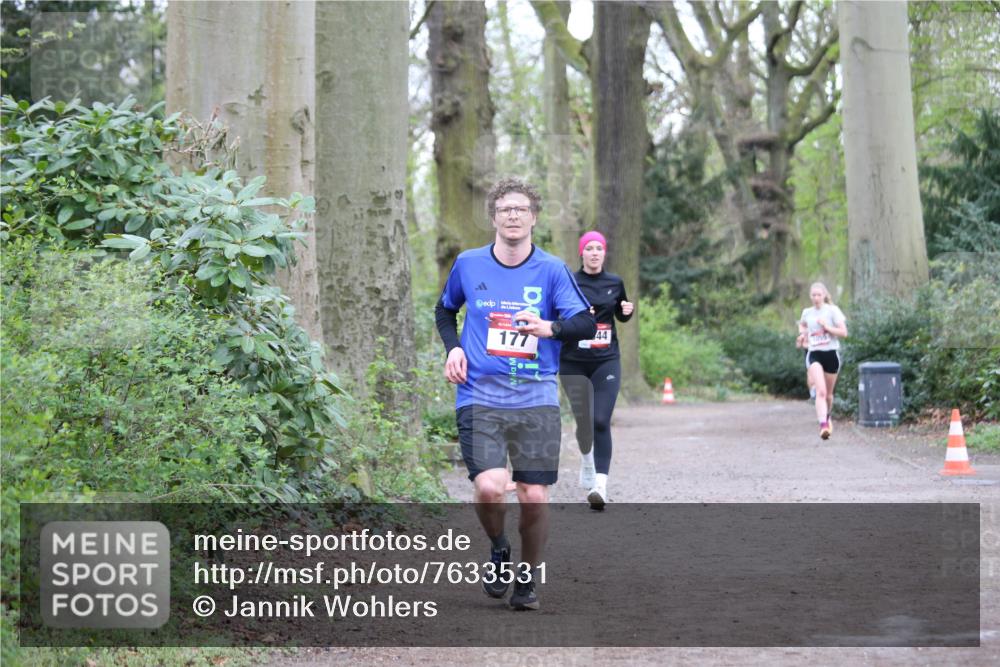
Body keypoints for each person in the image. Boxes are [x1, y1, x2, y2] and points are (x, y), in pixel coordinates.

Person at [435, 177, 596, 610]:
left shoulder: (551, 270)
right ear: (493, 217)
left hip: (535, 396)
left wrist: (550, 328)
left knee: (533, 494)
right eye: (504, 208)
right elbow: (445, 310)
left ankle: (528, 577)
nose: (512, 215)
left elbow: (584, 323)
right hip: (479, 395)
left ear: (533, 218)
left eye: (520, 209)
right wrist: (453, 348)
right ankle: (500, 547)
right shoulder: (468, 264)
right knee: (489, 488)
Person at [559, 231, 633, 510]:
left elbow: (621, 315)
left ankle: (600, 485)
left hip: (606, 359)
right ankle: (587, 461)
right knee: (584, 422)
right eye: (588, 248)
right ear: (582, 253)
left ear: (604, 253)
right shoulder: (569, 281)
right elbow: (556, 314)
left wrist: (627, 311)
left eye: (598, 248)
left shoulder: (614, 282)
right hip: (573, 361)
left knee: (601, 420)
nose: (593, 253)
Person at [798, 282, 848, 439]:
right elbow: (803, 326)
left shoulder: (832, 311)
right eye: (813, 295)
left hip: (831, 354)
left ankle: (827, 415)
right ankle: (823, 426)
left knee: (828, 395)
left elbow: (843, 332)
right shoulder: (807, 312)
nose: (816, 298)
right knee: (820, 391)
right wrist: (803, 335)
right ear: (810, 296)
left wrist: (827, 327)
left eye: (819, 295)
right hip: (814, 354)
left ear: (824, 295)